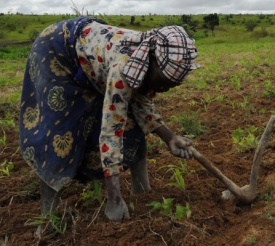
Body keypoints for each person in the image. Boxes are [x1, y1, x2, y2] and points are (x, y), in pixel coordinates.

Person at [19, 16, 198, 222]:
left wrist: (170, 137)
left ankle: (142, 191)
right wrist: (114, 198)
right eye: (163, 82)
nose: (164, 90)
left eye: (171, 87)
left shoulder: (145, 61)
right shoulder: (124, 67)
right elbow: (112, 130)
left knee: (134, 125)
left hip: (95, 61)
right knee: (59, 131)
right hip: (59, 52)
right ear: (151, 61)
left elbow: (142, 106)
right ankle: (48, 216)